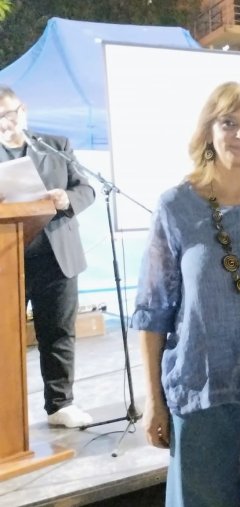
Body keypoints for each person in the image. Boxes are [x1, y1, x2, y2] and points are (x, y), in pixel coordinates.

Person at [131, 82, 240, 506]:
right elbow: (153, 311)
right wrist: (153, 401)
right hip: (202, 386)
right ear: (209, 130)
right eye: (229, 123)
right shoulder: (175, 205)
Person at [0, 85, 96, 428]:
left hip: (57, 254)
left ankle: (60, 404)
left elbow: (86, 189)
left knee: (57, 332)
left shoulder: (56, 146)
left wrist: (66, 200)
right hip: (6, 259)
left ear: (22, 110)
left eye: (9, 115)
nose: (5, 125)